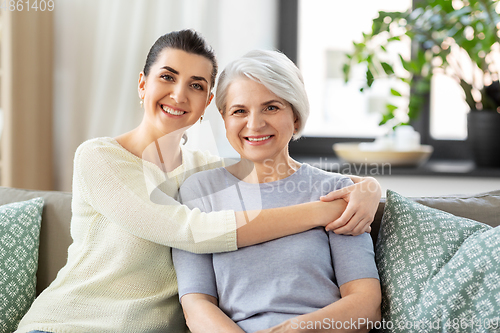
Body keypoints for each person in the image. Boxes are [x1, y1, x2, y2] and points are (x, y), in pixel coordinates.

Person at [16, 30, 381, 333]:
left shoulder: (202, 172)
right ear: (143, 85)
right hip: (67, 324)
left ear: (208, 102)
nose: (178, 95)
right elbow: (194, 231)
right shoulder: (100, 158)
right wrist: (322, 212)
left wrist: (369, 188)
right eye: (167, 77)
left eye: (195, 85)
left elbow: (273, 174)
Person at [172, 50, 381, 333]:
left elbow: (366, 305)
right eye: (239, 111)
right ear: (224, 118)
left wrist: (294, 330)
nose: (255, 124)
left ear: (295, 116)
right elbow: (196, 304)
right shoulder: (199, 190)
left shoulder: (336, 192)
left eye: (271, 107)